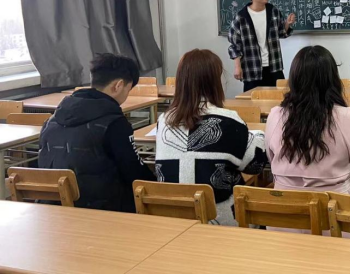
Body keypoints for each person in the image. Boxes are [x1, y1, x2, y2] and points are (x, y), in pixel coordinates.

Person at [155, 49, 267, 225]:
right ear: (214, 82)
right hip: (219, 222)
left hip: (173, 220)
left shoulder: (164, 120)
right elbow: (255, 165)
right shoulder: (228, 120)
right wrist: (259, 136)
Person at [38, 54, 155, 212]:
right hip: (102, 209)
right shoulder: (114, 123)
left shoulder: (51, 121)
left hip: (53, 209)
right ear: (118, 85)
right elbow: (133, 171)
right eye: (128, 89)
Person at [265, 45, 350, 197]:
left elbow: (272, 160)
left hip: (284, 208)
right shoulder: (347, 117)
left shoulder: (275, 115)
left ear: (293, 79)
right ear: (333, 79)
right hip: (333, 207)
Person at [228, 0, 297, 92]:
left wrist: (287, 24)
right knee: (252, 100)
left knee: (281, 98)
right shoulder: (241, 17)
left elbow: (281, 32)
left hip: (274, 66)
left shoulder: (273, 11)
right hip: (252, 68)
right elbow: (235, 45)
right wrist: (237, 67)